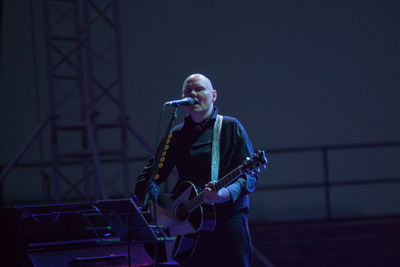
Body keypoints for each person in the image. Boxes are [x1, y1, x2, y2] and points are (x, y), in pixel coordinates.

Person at [135, 73, 258, 267]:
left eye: (199, 89)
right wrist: (154, 208)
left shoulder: (230, 127)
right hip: (188, 229)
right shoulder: (175, 135)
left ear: (214, 95)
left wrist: (224, 193)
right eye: (187, 91)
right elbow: (146, 180)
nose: (192, 93)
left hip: (228, 222)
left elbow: (250, 176)